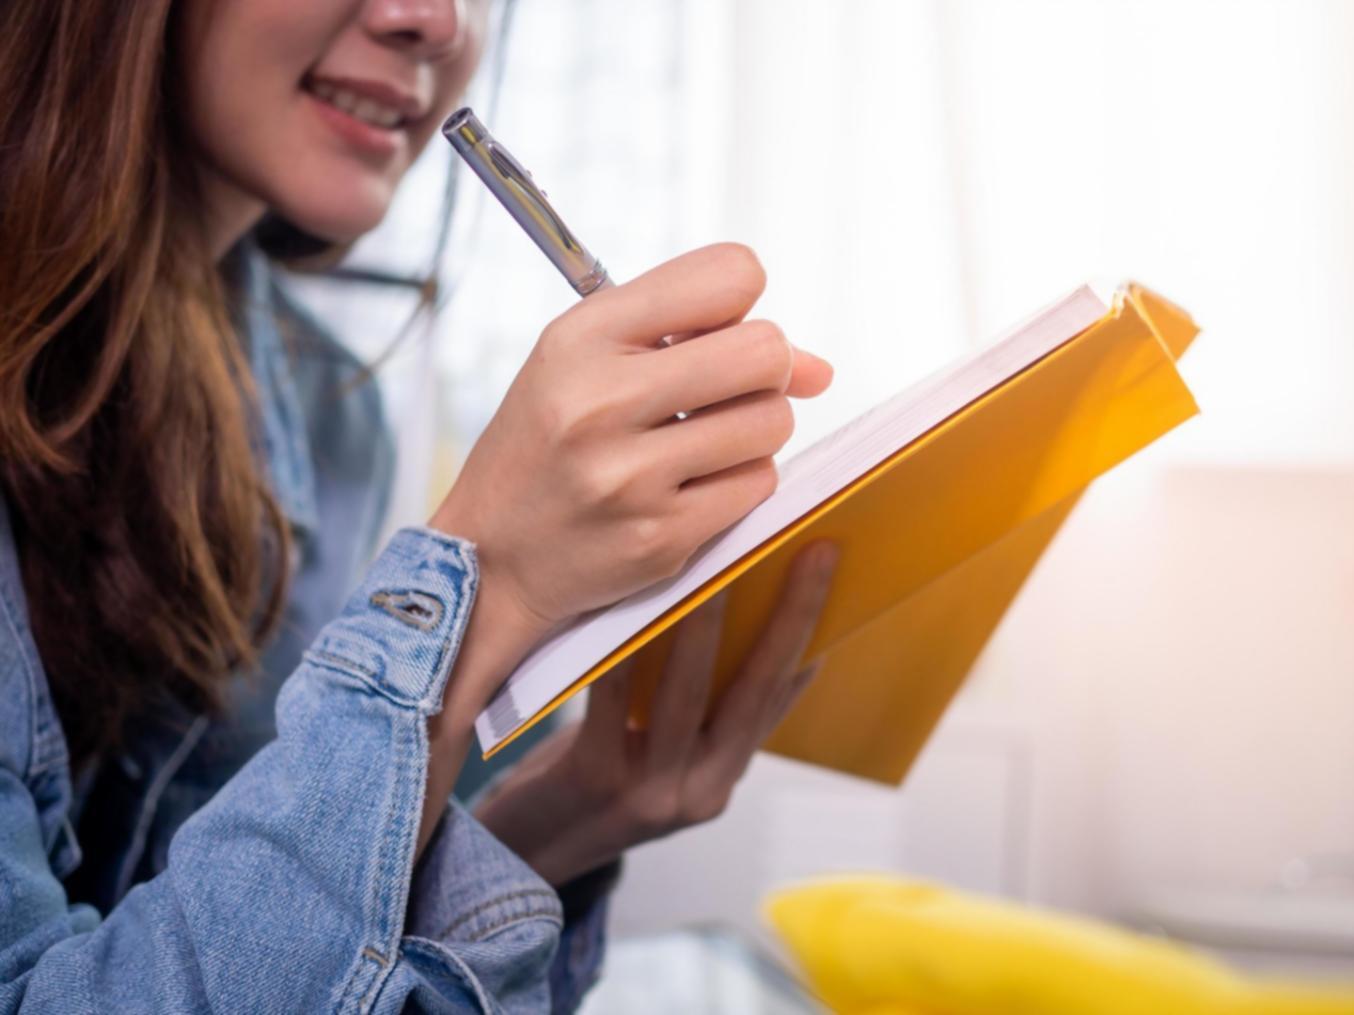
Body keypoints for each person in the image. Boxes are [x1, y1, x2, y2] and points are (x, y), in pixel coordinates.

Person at [0, 0, 839, 1011]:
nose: (434, 21)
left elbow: (229, 932)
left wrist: (575, 807)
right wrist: (482, 593)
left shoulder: (327, 412)